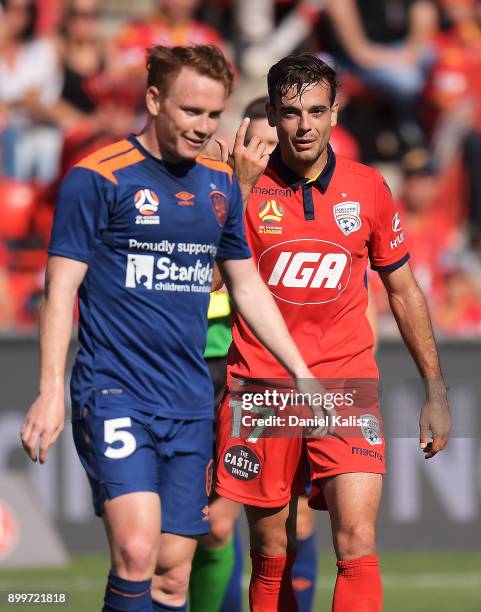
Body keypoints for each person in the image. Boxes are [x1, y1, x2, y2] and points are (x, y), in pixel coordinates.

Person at [19, 44, 332, 612]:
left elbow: (246, 286)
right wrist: (49, 391)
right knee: (136, 553)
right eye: (191, 112)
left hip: (189, 402)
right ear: (154, 99)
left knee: (171, 576)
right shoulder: (97, 179)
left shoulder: (219, 186)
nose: (203, 126)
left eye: (213, 115)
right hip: (115, 392)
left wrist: (301, 371)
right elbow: (59, 289)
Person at [215, 53, 451, 612]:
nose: (305, 126)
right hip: (262, 386)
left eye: (317, 111)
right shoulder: (237, 187)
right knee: (272, 548)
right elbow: (207, 278)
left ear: (336, 113)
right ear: (272, 114)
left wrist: (435, 391)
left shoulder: (367, 188)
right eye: (292, 113)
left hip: (344, 382)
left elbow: (403, 291)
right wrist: (238, 194)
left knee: (357, 541)